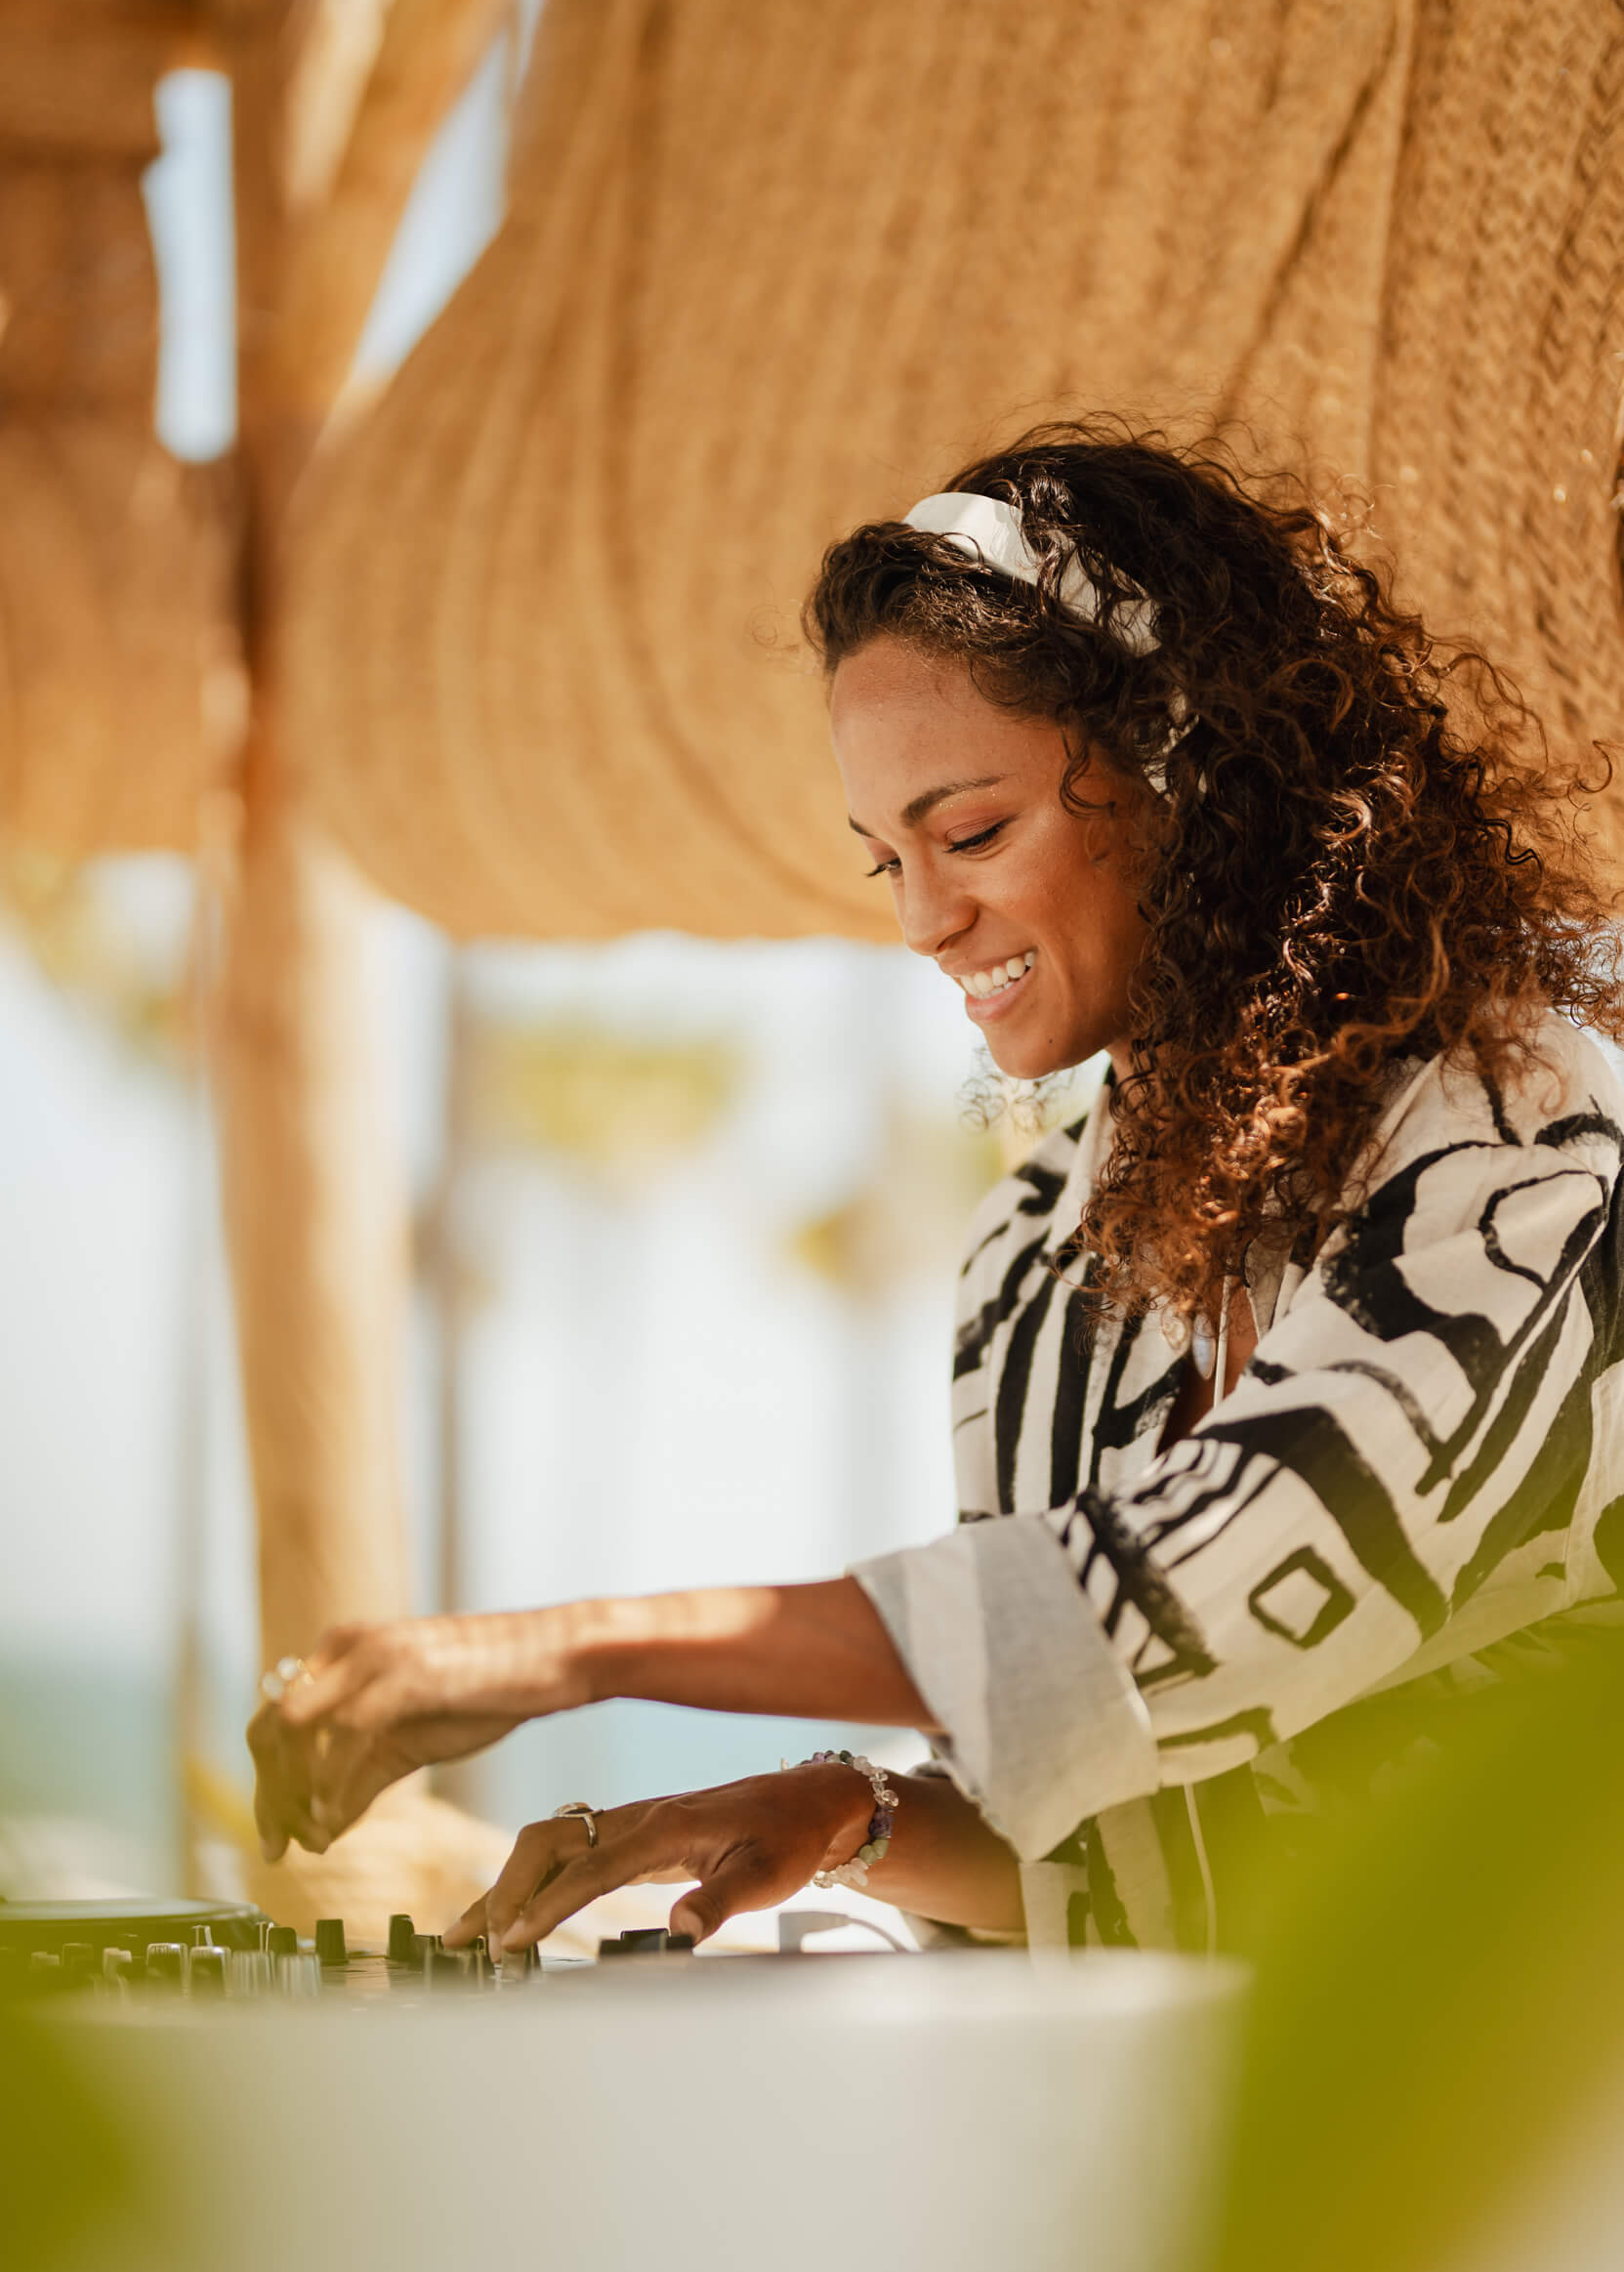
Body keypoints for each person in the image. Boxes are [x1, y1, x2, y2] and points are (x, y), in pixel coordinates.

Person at [248, 422, 1624, 1956]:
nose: (922, 920)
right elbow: (1110, 1869)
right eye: (884, 860)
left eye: (970, 832)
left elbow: (1189, 1607)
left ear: (1192, 781)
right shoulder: (1033, 1259)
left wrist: (570, 1653)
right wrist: (847, 1815)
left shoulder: (1516, 1161)